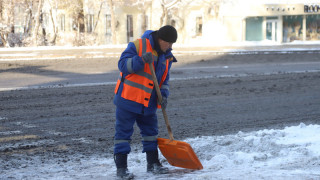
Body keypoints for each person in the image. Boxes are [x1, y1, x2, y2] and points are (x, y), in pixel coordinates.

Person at [113, 25, 178, 179]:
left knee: (151, 133)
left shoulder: (167, 56)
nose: (169, 47)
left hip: (148, 102)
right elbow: (122, 65)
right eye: (168, 43)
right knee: (123, 134)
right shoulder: (138, 45)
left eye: (172, 44)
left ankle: (153, 163)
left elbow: (164, 79)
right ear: (160, 39)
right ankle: (121, 169)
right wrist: (140, 60)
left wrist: (163, 95)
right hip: (128, 99)